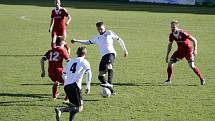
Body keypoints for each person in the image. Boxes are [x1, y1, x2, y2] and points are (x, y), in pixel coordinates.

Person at [71, 21, 128, 94]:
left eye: (101, 28)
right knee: (100, 76)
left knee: (109, 65)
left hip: (110, 53)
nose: (100, 30)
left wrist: (125, 50)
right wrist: (77, 41)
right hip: (103, 56)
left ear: (104, 27)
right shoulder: (96, 37)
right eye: (98, 29)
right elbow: (88, 42)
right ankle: (111, 90)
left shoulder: (109, 33)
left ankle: (109, 83)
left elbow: (119, 40)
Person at [55, 46, 92, 121]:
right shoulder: (85, 62)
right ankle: (61, 110)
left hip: (66, 86)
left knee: (74, 106)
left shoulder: (71, 61)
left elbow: (63, 74)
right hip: (75, 86)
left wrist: (67, 81)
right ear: (85, 53)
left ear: (77, 53)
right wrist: (88, 86)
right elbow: (89, 73)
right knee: (79, 108)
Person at [165, 20, 205, 85]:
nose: (172, 28)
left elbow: (194, 40)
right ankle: (169, 80)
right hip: (180, 51)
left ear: (177, 26)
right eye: (171, 27)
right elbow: (170, 45)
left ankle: (202, 79)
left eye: (173, 27)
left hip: (188, 51)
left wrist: (195, 50)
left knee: (191, 66)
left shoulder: (183, 33)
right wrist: (167, 55)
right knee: (170, 63)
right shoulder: (171, 35)